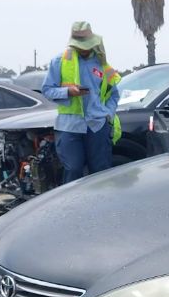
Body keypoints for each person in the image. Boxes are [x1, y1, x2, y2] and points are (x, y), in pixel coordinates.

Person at [42, 21, 122, 184]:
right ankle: (72, 206)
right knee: (73, 169)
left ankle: (100, 205)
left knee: (101, 171)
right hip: (69, 126)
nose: (83, 49)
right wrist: (68, 92)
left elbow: (113, 95)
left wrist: (108, 113)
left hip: (97, 125)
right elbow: (47, 90)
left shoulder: (103, 65)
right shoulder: (59, 61)